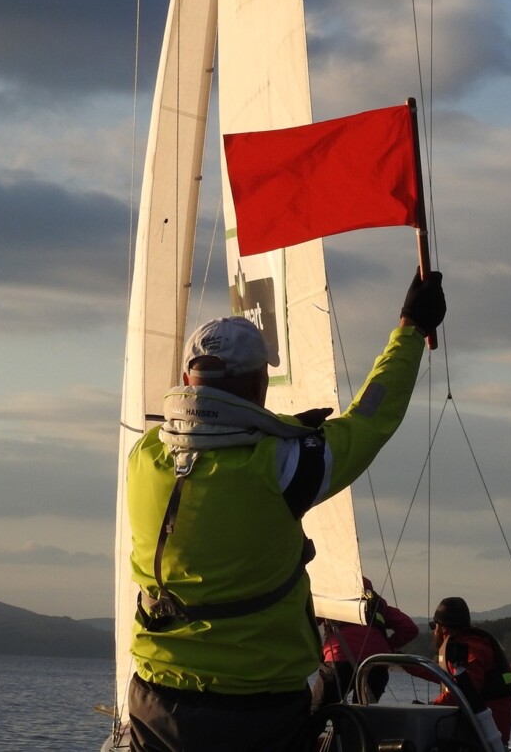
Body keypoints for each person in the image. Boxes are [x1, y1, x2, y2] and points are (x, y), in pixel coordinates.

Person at [124, 271, 446, 752]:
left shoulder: (145, 457)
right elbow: (372, 416)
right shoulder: (284, 467)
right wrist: (411, 328)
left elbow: (210, 432)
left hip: (155, 702)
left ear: (189, 380)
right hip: (256, 710)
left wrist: (285, 428)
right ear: (258, 383)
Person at [425, 596, 511, 752]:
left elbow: (465, 689)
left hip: (484, 737)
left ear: (443, 628)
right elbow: (445, 677)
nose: (434, 631)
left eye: (434, 626)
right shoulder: (464, 647)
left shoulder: (472, 649)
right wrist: (405, 665)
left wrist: (431, 707)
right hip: (477, 732)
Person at [313, 580, 419, 706]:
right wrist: (388, 645)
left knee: (317, 710)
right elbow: (410, 628)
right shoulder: (378, 603)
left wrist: (316, 650)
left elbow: (307, 623)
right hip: (375, 664)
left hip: (339, 660)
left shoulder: (332, 599)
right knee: (364, 715)